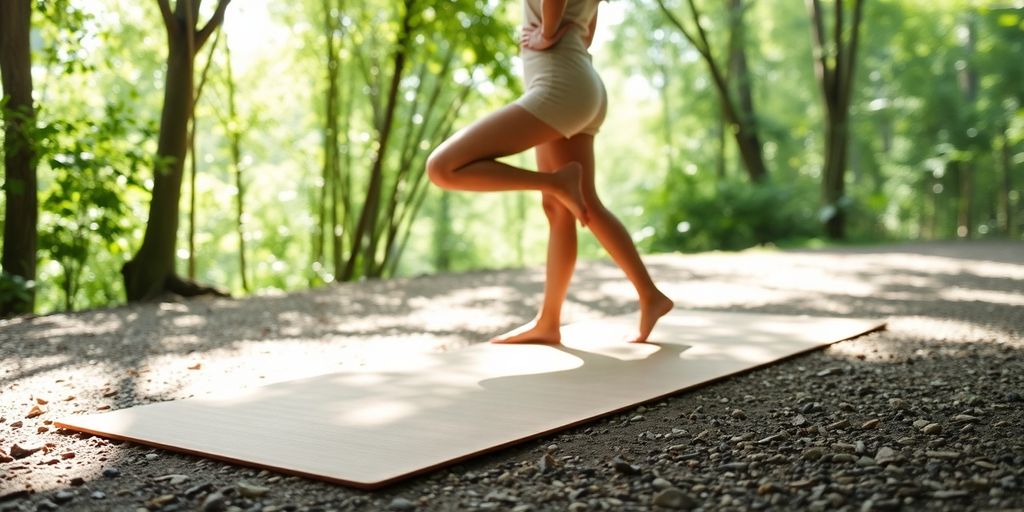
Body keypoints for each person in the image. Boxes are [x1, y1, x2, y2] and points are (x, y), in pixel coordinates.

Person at [426, 0, 673, 344]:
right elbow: (586, 34)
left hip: (560, 86)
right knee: (568, 206)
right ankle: (632, 300)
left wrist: (547, 32)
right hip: (581, 83)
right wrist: (555, 32)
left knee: (443, 167)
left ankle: (556, 182)